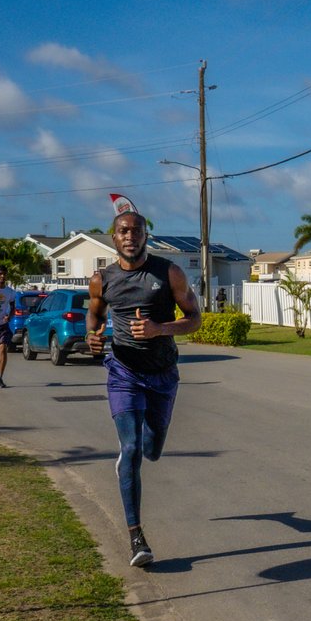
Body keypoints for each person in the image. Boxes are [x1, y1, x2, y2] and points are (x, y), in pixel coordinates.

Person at [86, 208, 201, 568]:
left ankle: (135, 453)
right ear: (113, 237)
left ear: (146, 235)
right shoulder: (101, 279)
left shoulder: (169, 273)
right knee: (132, 448)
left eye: (136, 230)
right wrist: (93, 335)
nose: (130, 236)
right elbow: (96, 313)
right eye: (123, 230)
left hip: (163, 374)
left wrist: (159, 329)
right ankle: (136, 537)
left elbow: (195, 319)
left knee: (152, 449)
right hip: (123, 372)